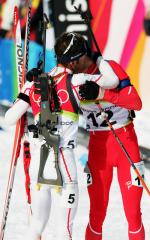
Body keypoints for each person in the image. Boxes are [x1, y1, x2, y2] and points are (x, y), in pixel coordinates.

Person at [5, 32, 119, 240]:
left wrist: (25, 88)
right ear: (74, 61)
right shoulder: (77, 80)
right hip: (64, 162)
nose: (86, 61)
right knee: (64, 230)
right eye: (84, 57)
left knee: (36, 226)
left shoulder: (35, 82)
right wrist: (98, 58)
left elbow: (10, 118)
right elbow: (112, 80)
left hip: (39, 162)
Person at [77, 47, 145, 239]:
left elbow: (136, 103)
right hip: (99, 151)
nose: (73, 65)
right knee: (96, 215)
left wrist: (102, 94)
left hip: (126, 146)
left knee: (133, 215)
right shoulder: (72, 80)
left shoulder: (111, 69)